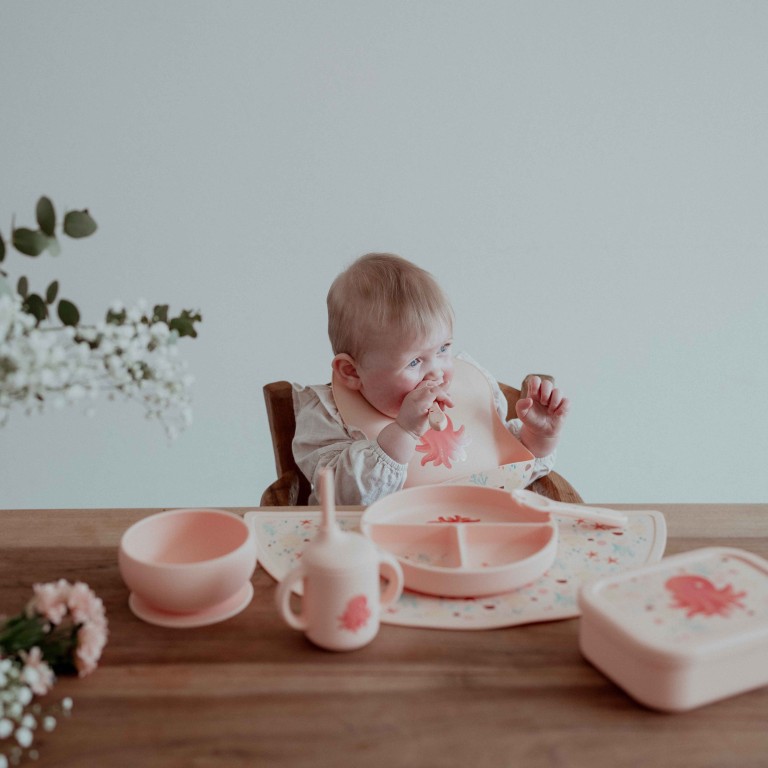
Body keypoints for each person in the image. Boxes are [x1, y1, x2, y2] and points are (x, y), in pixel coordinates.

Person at [292, 253, 569, 504]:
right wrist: (404, 433)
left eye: (443, 349)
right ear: (352, 372)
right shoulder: (326, 415)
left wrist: (538, 437)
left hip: (482, 530)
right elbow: (342, 498)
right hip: (379, 539)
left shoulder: (471, 389)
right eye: (414, 361)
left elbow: (507, 467)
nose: (436, 372)